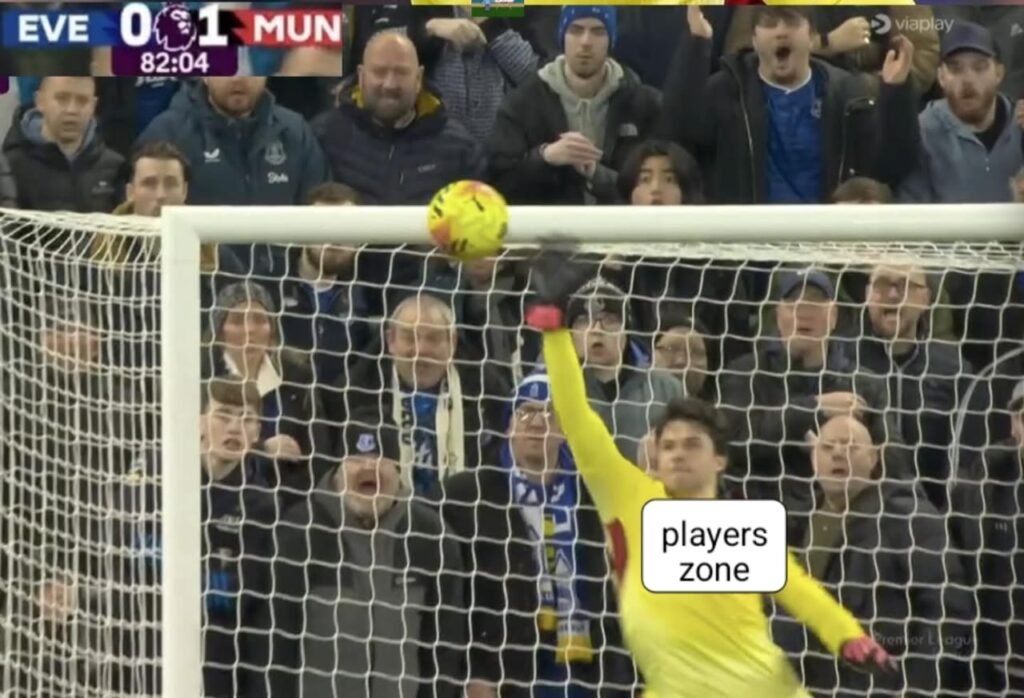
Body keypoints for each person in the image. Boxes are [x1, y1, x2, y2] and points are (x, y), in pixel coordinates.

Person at [521, 245, 894, 698]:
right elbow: (576, 417)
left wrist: (848, 636)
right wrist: (553, 328)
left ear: (719, 458)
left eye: (691, 444)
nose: (677, 454)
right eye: (668, 445)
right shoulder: (628, 497)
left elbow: (799, 591)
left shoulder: (741, 525)